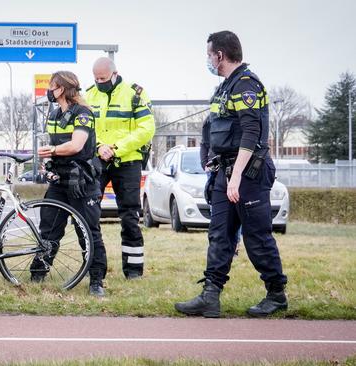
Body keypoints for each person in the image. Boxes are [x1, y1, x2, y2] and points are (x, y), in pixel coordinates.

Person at [175, 30, 287, 318]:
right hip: (225, 172)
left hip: (248, 173)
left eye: (209, 54)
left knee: (257, 237)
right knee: (220, 235)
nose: (208, 60)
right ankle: (210, 296)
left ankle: (276, 295)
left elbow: (251, 133)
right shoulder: (225, 87)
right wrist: (209, 161)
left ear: (220, 55)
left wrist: (236, 176)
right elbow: (211, 127)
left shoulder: (246, 85)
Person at [36, 71, 107, 296]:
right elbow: (54, 144)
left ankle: (96, 281)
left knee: (88, 230)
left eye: (52, 85)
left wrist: (53, 150)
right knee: (48, 228)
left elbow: (76, 145)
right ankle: (37, 273)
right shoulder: (55, 114)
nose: (49, 89)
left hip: (82, 182)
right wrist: (48, 162)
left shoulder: (83, 113)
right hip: (59, 180)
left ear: (63, 88)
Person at [85, 57, 155, 280]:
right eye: (96, 78)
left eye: (103, 78)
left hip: (127, 161)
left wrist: (116, 148)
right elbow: (85, 128)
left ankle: (133, 270)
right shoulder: (89, 94)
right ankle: (94, 265)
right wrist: (98, 147)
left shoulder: (135, 94)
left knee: (130, 216)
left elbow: (146, 129)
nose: (99, 82)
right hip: (99, 159)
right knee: (88, 212)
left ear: (115, 74)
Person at [201, 115, 242, 256]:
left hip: (231, 166)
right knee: (216, 211)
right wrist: (204, 164)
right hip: (214, 170)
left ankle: (234, 245)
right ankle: (219, 246)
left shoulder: (235, 118)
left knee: (234, 207)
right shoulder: (209, 119)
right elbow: (204, 143)